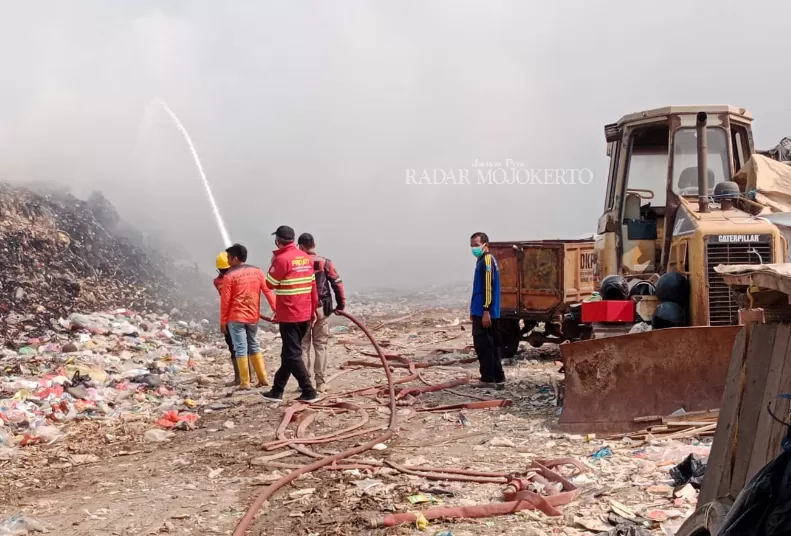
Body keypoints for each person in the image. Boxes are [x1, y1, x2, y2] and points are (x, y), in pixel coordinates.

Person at [261, 226, 320, 402]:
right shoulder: (306, 258)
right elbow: (312, 286)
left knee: (292, 354)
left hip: (289, 313)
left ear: (278, 241)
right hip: (305, 312)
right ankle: (277, 390)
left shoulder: (281, 260)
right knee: (288, 353)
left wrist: (274, 262)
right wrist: (313, 310)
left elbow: (270, 284)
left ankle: (308, 390)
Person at [220, 243, 277, 390]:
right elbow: (268, 291)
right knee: (254, 344)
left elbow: (225, 301)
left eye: (228, 258)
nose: (227, 261)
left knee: (240, 347)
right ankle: (263, 378)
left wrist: (223, 321)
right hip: (253, 316)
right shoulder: (257, 272)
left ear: (235, 258)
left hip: (236, 317)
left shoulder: (229, 276)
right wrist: (276, 309)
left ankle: (245, 382)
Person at [297, 233, 346, 393]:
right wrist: (340, 304)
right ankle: (320, 382)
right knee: (320, 345)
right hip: (321, 309)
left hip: (302, 310)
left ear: (301, 247)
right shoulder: (325, 262)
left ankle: (304, 384)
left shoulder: (296, 264)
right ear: (314, 245)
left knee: (303, 346)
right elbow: (337, 284)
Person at [469, 232, 505, 389]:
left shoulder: (487, 260)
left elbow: (488, 287)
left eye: (476, 245)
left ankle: (488, 378)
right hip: (482, 310)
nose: (474, 248)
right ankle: (498, 376)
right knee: (492, 345)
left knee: (483, 345)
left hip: (485, 312)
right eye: (472, 245)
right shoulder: (482, 260)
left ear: (485, 244)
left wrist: (485, 311)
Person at [214, 251, 253, 387]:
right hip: (246, 313)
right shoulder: (234, 278)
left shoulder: (219, 280)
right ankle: (248, 376)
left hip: (233, 317)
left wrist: (223, 322)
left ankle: (241, 378)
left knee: (236, 347)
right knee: (246, 345)